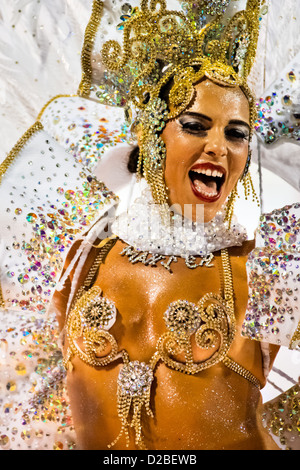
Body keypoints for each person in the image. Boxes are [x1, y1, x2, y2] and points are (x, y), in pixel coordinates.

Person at [0, 0, 299, 451]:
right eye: (196, 126)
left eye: (236, 133)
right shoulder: (75, 261)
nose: (218, 146)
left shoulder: (270, 267)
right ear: (150, 136)